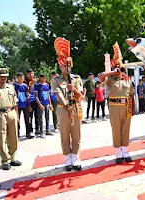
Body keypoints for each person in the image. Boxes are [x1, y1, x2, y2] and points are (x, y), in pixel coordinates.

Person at [98, 42, 135, 164]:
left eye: (121, 66)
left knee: (126, 128)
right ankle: (118, 151)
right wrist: (113, 72)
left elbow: (131, 94)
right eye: (118, 67)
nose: (120, 69)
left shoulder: (127, 79)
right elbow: (100, 76)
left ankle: (125, 150)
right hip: (114, 106)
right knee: (116, 129)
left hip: (126, 105)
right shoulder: (109, 79)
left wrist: (133, 108)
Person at [52, 37, 83, 171]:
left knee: (76, 134)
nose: (66, 67)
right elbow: (58, 94)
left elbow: (80, 96)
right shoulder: (55, 80)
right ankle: (67, 158)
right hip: (63, 109)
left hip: (76, 107)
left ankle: (75, 157)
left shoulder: (76, 79)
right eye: (64, 65)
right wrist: (66, 107)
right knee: (65, 134)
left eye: (68, 65)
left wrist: (73, 89)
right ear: (60, 66)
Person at [0, 68, 22, 170]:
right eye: (1, 77)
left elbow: (15, 101)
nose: (3, 79)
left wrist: (16, 115)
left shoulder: (11, 87)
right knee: (1, 138)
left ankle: (13, 157)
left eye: (5, 77)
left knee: (13, 136)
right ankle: (5, 160)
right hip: (0, 114)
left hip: (11, 112)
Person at [14, 72, 34, 139]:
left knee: (27, 120)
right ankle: (17, 134)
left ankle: (28, 133)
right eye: (20, 77)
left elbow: (27, 95)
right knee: (17, 120)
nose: (22, 78)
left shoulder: (25, 86)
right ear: (18, 78)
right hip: (17, 106)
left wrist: (29, 105)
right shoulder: (14, 86)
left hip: (25, 105)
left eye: (23, 77)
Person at [34, 74, 53, 138]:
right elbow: (36, 96)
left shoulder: (47, 85)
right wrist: (39, 104)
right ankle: (41, 132)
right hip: (41, 103)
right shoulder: (37, 85)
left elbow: (48, 95)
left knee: (47, 117)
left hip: (47, 103)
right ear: (40, 78)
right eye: (43, 78)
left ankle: (47, 130)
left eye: (45, 78)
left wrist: (50, 104)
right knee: (40, 118)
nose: (44, 79)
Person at [25, 69, 39, 135]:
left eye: (32, 73)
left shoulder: (36, 81)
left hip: (36, 101)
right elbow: (28, 92)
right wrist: (30, 85)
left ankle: (37, 129)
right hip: (29, 102)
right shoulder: (25, 82)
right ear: (27, 75)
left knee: (37, 116)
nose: (31, 75)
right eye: (29, 74)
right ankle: (30, 131)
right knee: (30, 117)